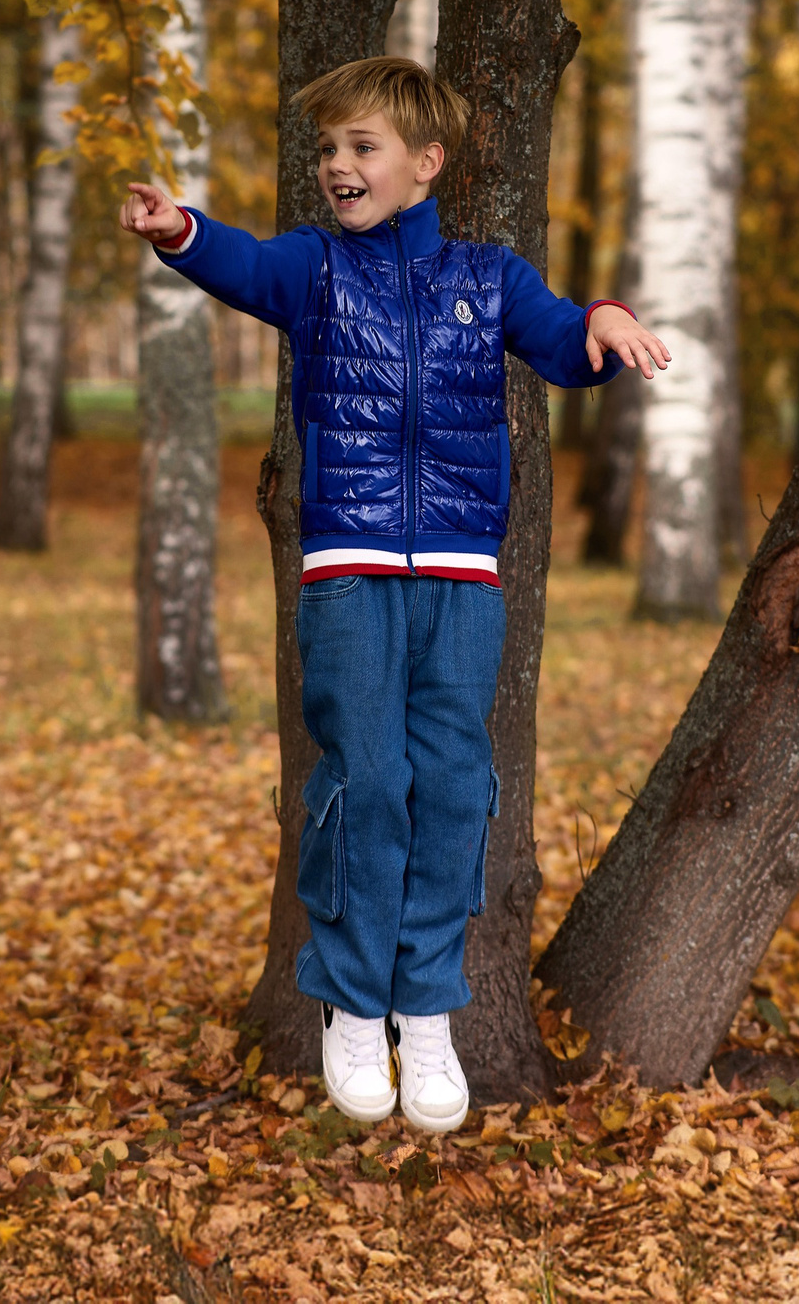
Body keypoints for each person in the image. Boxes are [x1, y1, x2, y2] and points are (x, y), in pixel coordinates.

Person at [118, 56, 670, 1132]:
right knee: (367, 783)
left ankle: (427, 1008)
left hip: (462, 572)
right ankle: (351, 1004)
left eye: (361, 147)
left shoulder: (487, 275)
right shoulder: (316, 271)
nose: (336, 166)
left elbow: (563, 342)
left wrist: (603, 320)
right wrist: (181, 230)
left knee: (455, 786)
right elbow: (243, 267)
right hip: (348, 567)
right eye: (327, 149)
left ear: (425, 164)